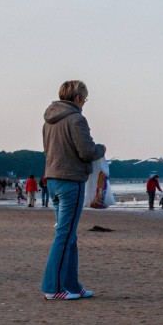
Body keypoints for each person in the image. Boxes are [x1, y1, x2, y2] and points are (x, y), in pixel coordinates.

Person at [40, 79, 106, 300]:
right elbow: (86, 151)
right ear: (78, 98)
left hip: (53, 179)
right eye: (85, 99)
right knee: (64, 235)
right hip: (70, 180)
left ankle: (71, 285)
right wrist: (101, 149)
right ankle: (53, 288)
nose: (85, 103)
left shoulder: (49, 120)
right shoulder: (76, 119)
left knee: (68, 235)